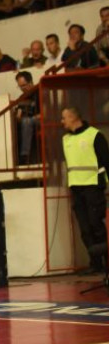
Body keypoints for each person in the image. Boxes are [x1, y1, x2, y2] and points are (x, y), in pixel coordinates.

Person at [61, 107, 109, 274]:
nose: (62, 121)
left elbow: (107, 161)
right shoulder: (66, 139)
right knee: (85, 229)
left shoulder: (95, 135)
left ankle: (107, 263)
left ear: (74, 118)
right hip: (76, 188)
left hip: (93, 187)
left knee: (97, 225)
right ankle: (95, 264)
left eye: (64, 118)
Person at [15, 71, 40, 164]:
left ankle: (25, 156)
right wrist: (17, 118)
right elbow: (18, 114)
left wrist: (30, 118)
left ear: (31, 82)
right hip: (25, 122)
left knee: (26, 122)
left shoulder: (40, 92)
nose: (22, 89)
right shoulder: (22, 97)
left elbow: (45, 113)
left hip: (39, 120)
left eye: (24, 85)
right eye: (20, 86)